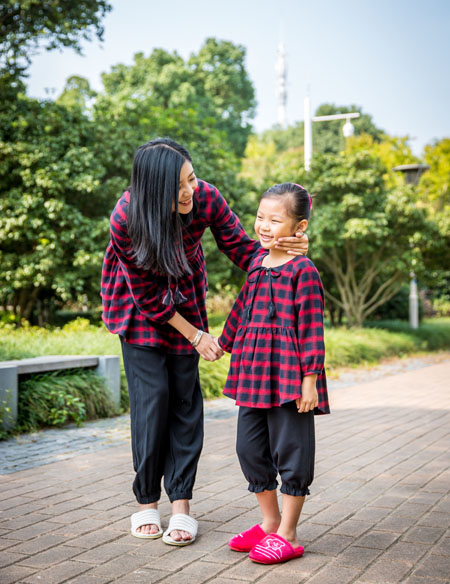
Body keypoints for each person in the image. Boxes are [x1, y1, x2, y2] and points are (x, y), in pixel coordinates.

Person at [101, 139, 309, 546]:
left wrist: (283, 253)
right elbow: (147, 298)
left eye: (192, 178)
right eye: (180, 184)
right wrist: (196, 336)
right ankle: (146, 502)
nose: (190, 190)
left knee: (183, 401)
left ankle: (180, 504)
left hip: (185, 296)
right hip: (137, 307)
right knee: (151, 402)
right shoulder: (126, 217)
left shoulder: (205, 198)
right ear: (155, 187)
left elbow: (243, 250)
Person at [218, 182, 330, 564]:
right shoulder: (256, 264)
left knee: (292, 452)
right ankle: (269, 521)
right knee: (248, 449)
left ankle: (289, 532)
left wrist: (310, 379)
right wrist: (223, 341)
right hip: (252, 371)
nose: (264, 226)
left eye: (275, 220)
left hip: (289, 376)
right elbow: (242, 309)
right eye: (261, 217)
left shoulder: (303, 270)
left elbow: (312, 326)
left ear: (299, 229)